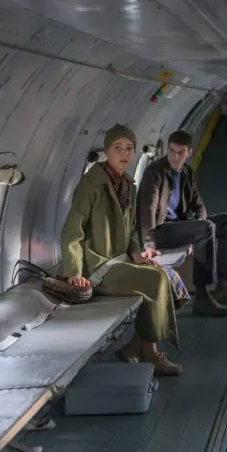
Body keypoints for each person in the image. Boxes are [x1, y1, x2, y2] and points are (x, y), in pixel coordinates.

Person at [61, 124, 182, 376]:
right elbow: (72, 231)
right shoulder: (91, 185)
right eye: (118, 148)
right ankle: (149, 352)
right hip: (98, 267)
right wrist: (74, 273)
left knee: (168, 275)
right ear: (106, 151)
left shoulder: (128, 185)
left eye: (129, 148)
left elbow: (133, 229)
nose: (124, 154)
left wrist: (137, 254)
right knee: (155, 280)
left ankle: (137, 345)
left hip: (120, 260)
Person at [137, 130, 227, 317]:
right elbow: (147, 208)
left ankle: (224, 285)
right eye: (171, 151)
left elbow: (199, 206)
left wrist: (199, 221)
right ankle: (202, 297)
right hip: (160, 230)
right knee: (205, 228)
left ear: (189, 152)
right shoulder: (155, 172)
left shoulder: (187, 173)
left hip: (181, 225)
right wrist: (149, 242)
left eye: (180, 152)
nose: (175, 156)